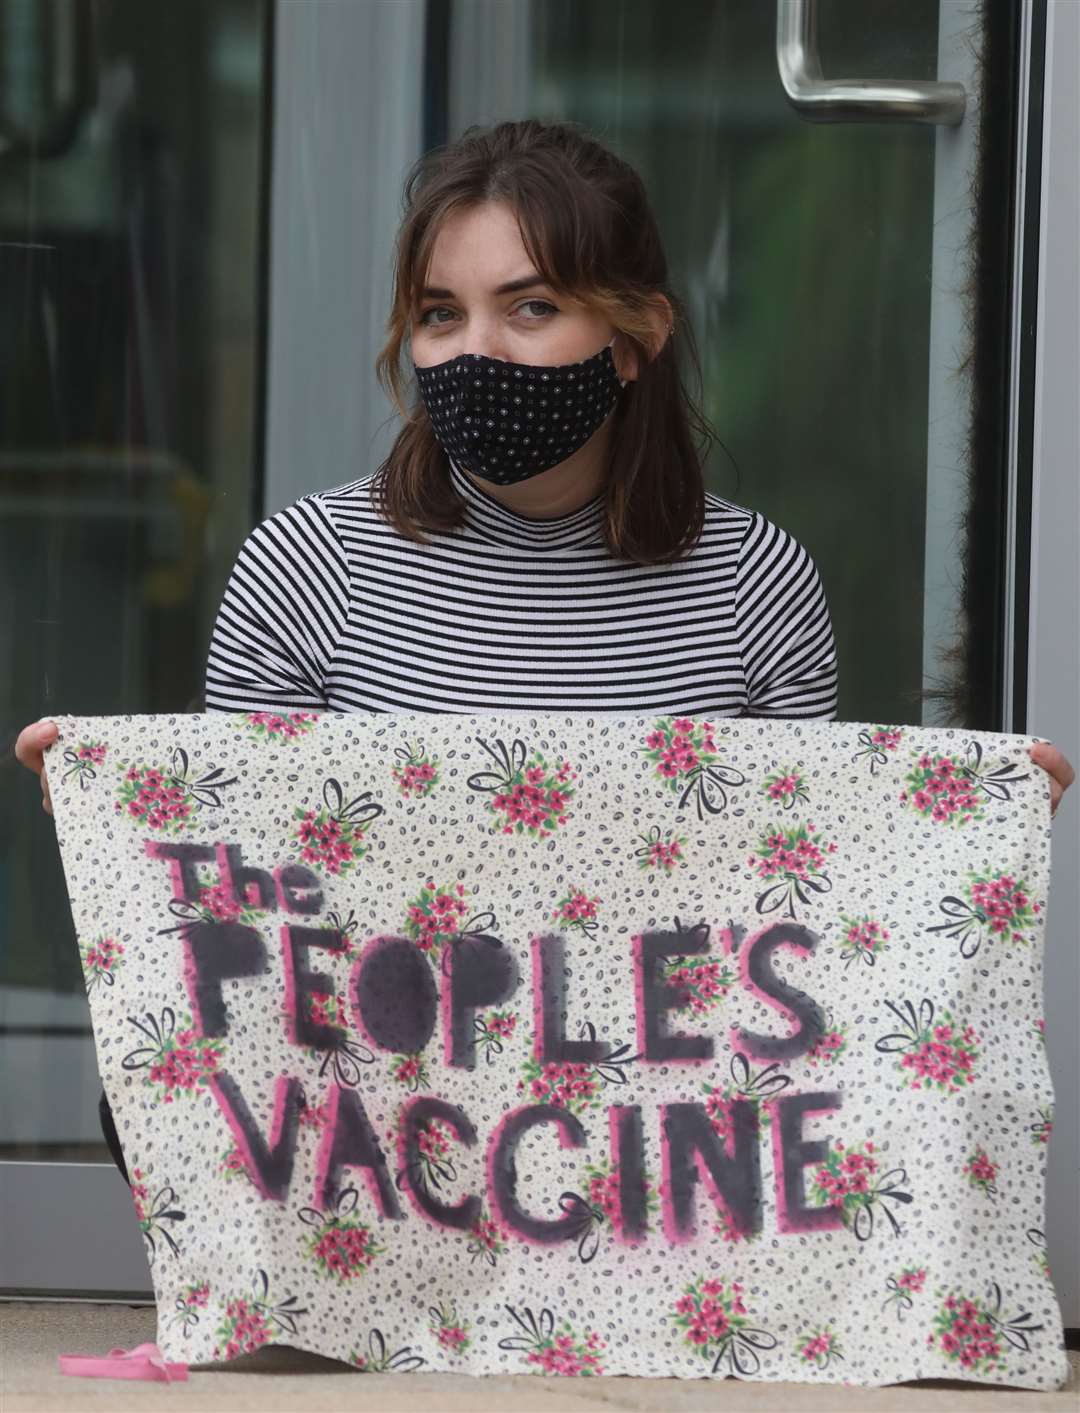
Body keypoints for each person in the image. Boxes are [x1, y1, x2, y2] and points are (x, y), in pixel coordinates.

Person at [14, 119, 1074, 1180]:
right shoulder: (310, 561)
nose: (473, 350)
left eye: (529, 307)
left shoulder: (758, 581)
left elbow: (792, 903)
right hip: (382, 1101)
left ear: (634, 335)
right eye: (440, 314)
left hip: (653, 1113)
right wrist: (133, 808)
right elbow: (245, 905)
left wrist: (964, 825)